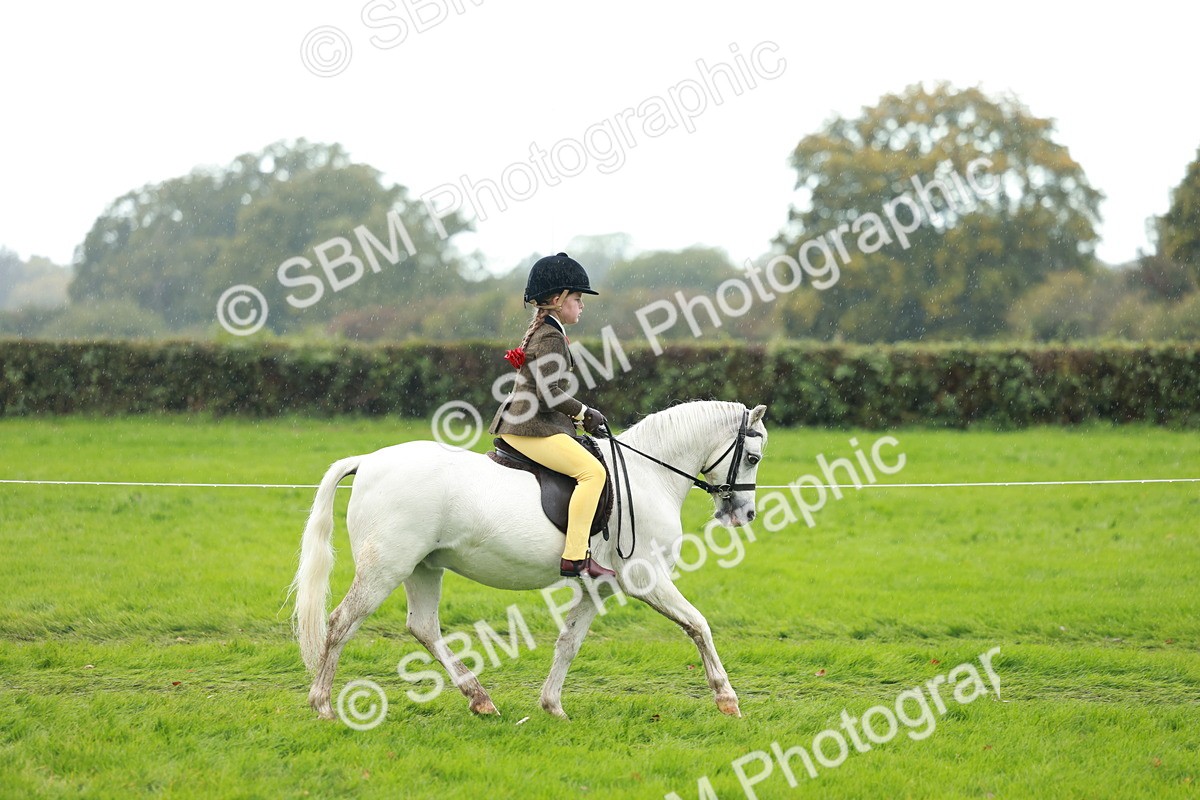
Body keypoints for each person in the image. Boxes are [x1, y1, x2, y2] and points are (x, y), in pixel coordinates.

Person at [489, 252, 615, 579]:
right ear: (558, 300)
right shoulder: (551, 336)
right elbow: (548, 393)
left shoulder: (548, 331)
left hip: (534, 422)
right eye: (576, 298)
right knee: (592, 473)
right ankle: (575, 556)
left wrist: (575, 419)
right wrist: (586, 412)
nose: (582, 304)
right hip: (530, 427)